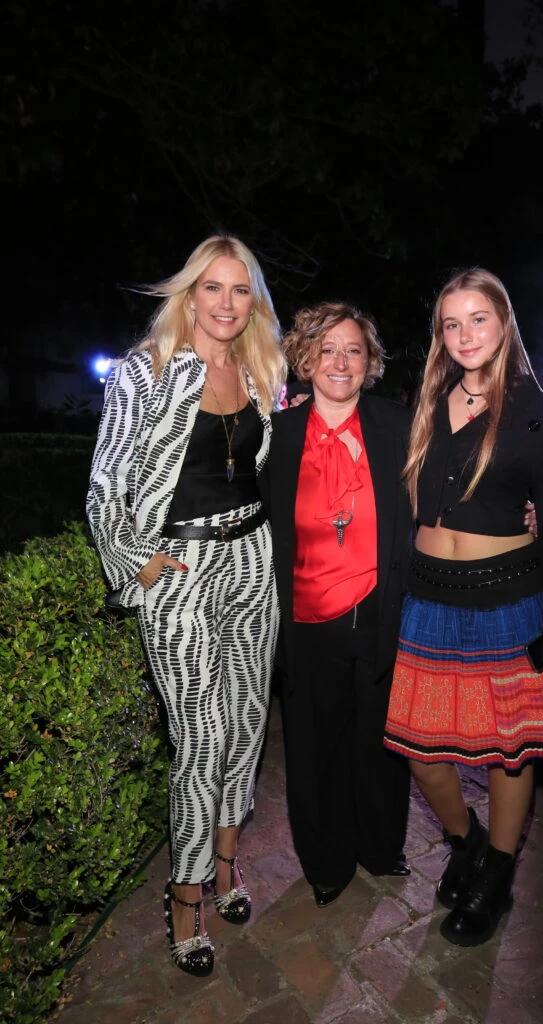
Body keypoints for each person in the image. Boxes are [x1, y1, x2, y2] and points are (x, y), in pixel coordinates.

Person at [86, 235, 285, 976]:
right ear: (189, 294)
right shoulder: (147, 370)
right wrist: (138, 565)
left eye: (240, 290)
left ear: (252, 302)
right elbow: (105, 484)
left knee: (245, 725)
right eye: (212, 288)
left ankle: (228, 864)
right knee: (199, 737)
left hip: (251, 557)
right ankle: (184, 896)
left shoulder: (263, 369)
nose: (226, 303)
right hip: (181, 565)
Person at [384, 268, 543, 947]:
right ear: (439, 335)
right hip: (428, 597)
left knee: (509, 755)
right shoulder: (427, 402)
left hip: (508, 601)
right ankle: (463, 843)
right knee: (419, 750)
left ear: (503, 323)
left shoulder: (539, 415)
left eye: (477, 318)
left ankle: (495, 876)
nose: (464, 334)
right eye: (450, 322)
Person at [262, 301, 413, 907]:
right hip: (307, 618)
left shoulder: (398, 426)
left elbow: (446, 490)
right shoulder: (276, 436)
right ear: (304, 358)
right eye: (327, 349)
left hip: (380, 610)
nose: (340, 361)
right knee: (316, 746)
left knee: (381, 741)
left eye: (353, 349)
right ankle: (326, 860)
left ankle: (380, 846)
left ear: (370, 360)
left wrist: (522, 513)